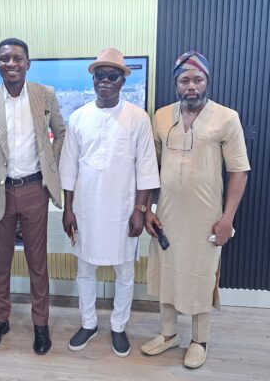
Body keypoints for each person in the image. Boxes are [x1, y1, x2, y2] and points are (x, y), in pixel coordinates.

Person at [140, 51, 250, 369]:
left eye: (197, 79)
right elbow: (150, 168)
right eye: (184, 79)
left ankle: (199, 341)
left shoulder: (226, 118)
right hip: (167, 215)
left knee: (202, 277)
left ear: (207, 82)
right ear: (176, 84)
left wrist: (226, 220)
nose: (191, 86)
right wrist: (146, 209)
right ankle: (168, 333)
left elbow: (239, 171)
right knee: (166, 274)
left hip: (206, 219)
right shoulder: (161, 116)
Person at [59, 48, 160, 357]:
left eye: (111, 75)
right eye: (99, 75)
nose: (104, 81)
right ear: (93, 79)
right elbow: (69, 168)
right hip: (86, 210)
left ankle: (118, 326)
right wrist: (67, 209)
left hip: (122, 210)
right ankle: (88, 323)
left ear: (121, 80)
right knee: (85, 271)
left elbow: (146, 168)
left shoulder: (138, 118)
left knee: (125, 274)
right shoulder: (78, 117)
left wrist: (140, 211)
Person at [0, 38, 65, 355]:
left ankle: (41, 324)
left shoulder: (45, 94)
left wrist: (50, 162)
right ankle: (1, 320)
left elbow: (61, 131)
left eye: (17, 58)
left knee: (38, 263)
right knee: (0, 263)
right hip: (0, 193)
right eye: (4, 58)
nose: (10, 63)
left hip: (35, 189)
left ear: (28, 63)